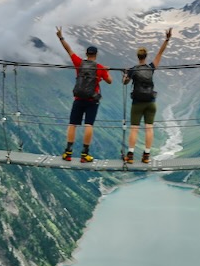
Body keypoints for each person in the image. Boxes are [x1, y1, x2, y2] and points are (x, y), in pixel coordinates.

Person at [57, 27, 112, 162]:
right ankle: (84, 154)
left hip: (79, 98)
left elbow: (69, 50)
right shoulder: (99, 67)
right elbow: (109, 81)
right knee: (88, 125)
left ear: (86, 54)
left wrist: (61, 37)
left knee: (72, 124)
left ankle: (68, 153)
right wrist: (105, 70)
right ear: (96, 55)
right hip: (92, 100)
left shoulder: (79, 63)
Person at [123, 28, 172, 164]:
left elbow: (125, 83)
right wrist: (167, 39)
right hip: (151, 102)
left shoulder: (133, 70)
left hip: (137, 103)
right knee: (149, 128)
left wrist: (126, 74)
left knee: (134, 128)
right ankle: (146, 156)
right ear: (146, 56)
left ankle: (131, 156)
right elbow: (160, 53)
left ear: (137, 56)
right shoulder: (151, 67)